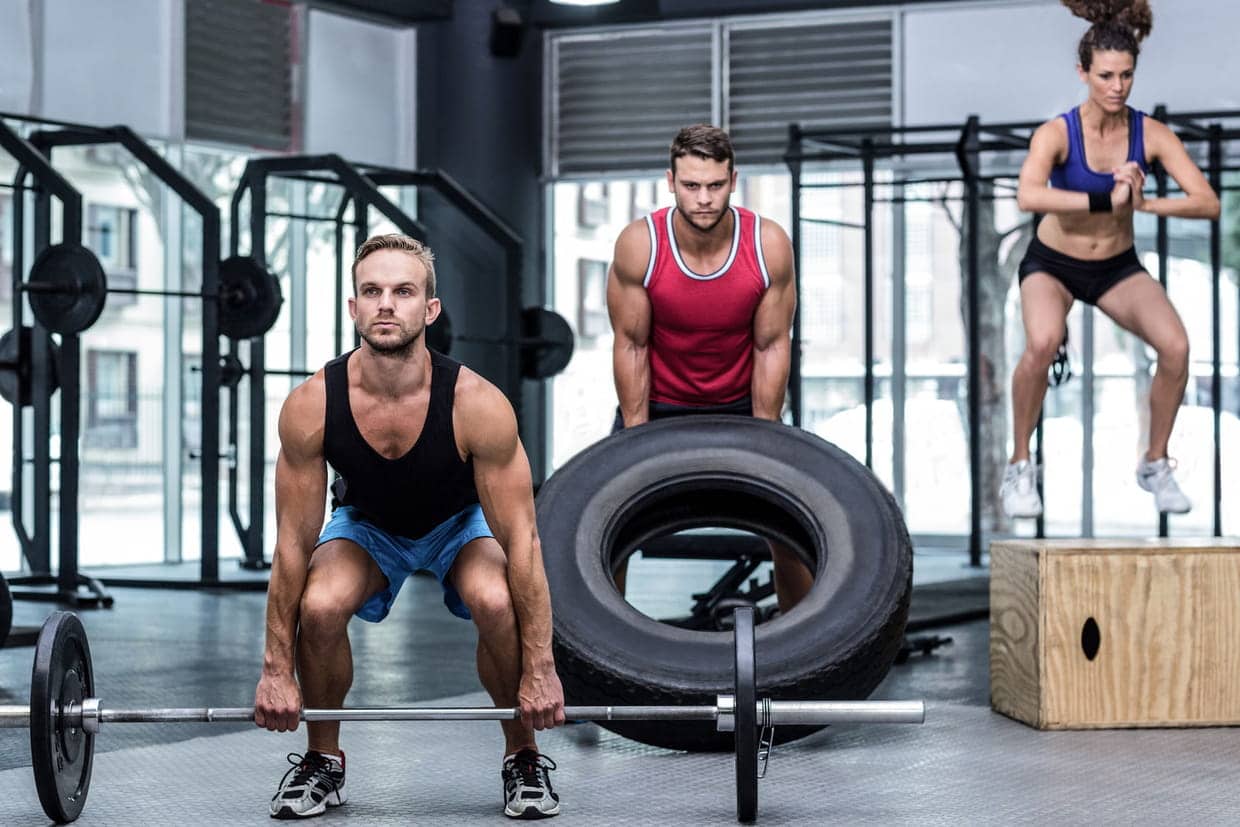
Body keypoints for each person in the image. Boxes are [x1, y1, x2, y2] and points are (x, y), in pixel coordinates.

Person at [253, 233, 566, 820]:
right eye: (372, 291)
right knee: (319, 606)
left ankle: (522, 755)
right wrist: (275, 670)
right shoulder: (312, 403)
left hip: (458, 524)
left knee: (496, 600)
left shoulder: (477, 402)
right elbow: (293, 544)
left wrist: (543, 669)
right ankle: (324, 761)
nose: (386, 304)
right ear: (353, 308)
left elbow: (522, 542)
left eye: (403, 291)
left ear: (430, 309)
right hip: (368, 527)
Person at [1003, 0, 1220, 519]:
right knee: (1042, 341)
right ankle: (1018, 465)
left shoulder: (1150, 134)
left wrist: (1144, 203)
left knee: (1176, 346)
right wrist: (1105, 200)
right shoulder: (1057, 133)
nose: (1116, 86)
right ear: (1083, 73)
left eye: (1125, 75)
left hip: (1115, 267)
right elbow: (1028, 196)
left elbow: (1207, 203)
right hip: (1053, 263)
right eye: (1105, 75)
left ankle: (1154, 462)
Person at [607, 124, 813, 613]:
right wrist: (635, 441)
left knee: (789, 530)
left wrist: (766, 438)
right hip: (657, 405)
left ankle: (807, 648)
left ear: (733, 180)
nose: (703, 199)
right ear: (671, 181)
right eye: (691, 185)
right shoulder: (641, 244)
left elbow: (770, 346)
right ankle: (601, 650)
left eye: (715, 186)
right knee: (608, 526)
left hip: (742, 405)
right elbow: (632, 345)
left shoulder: (767, 245)